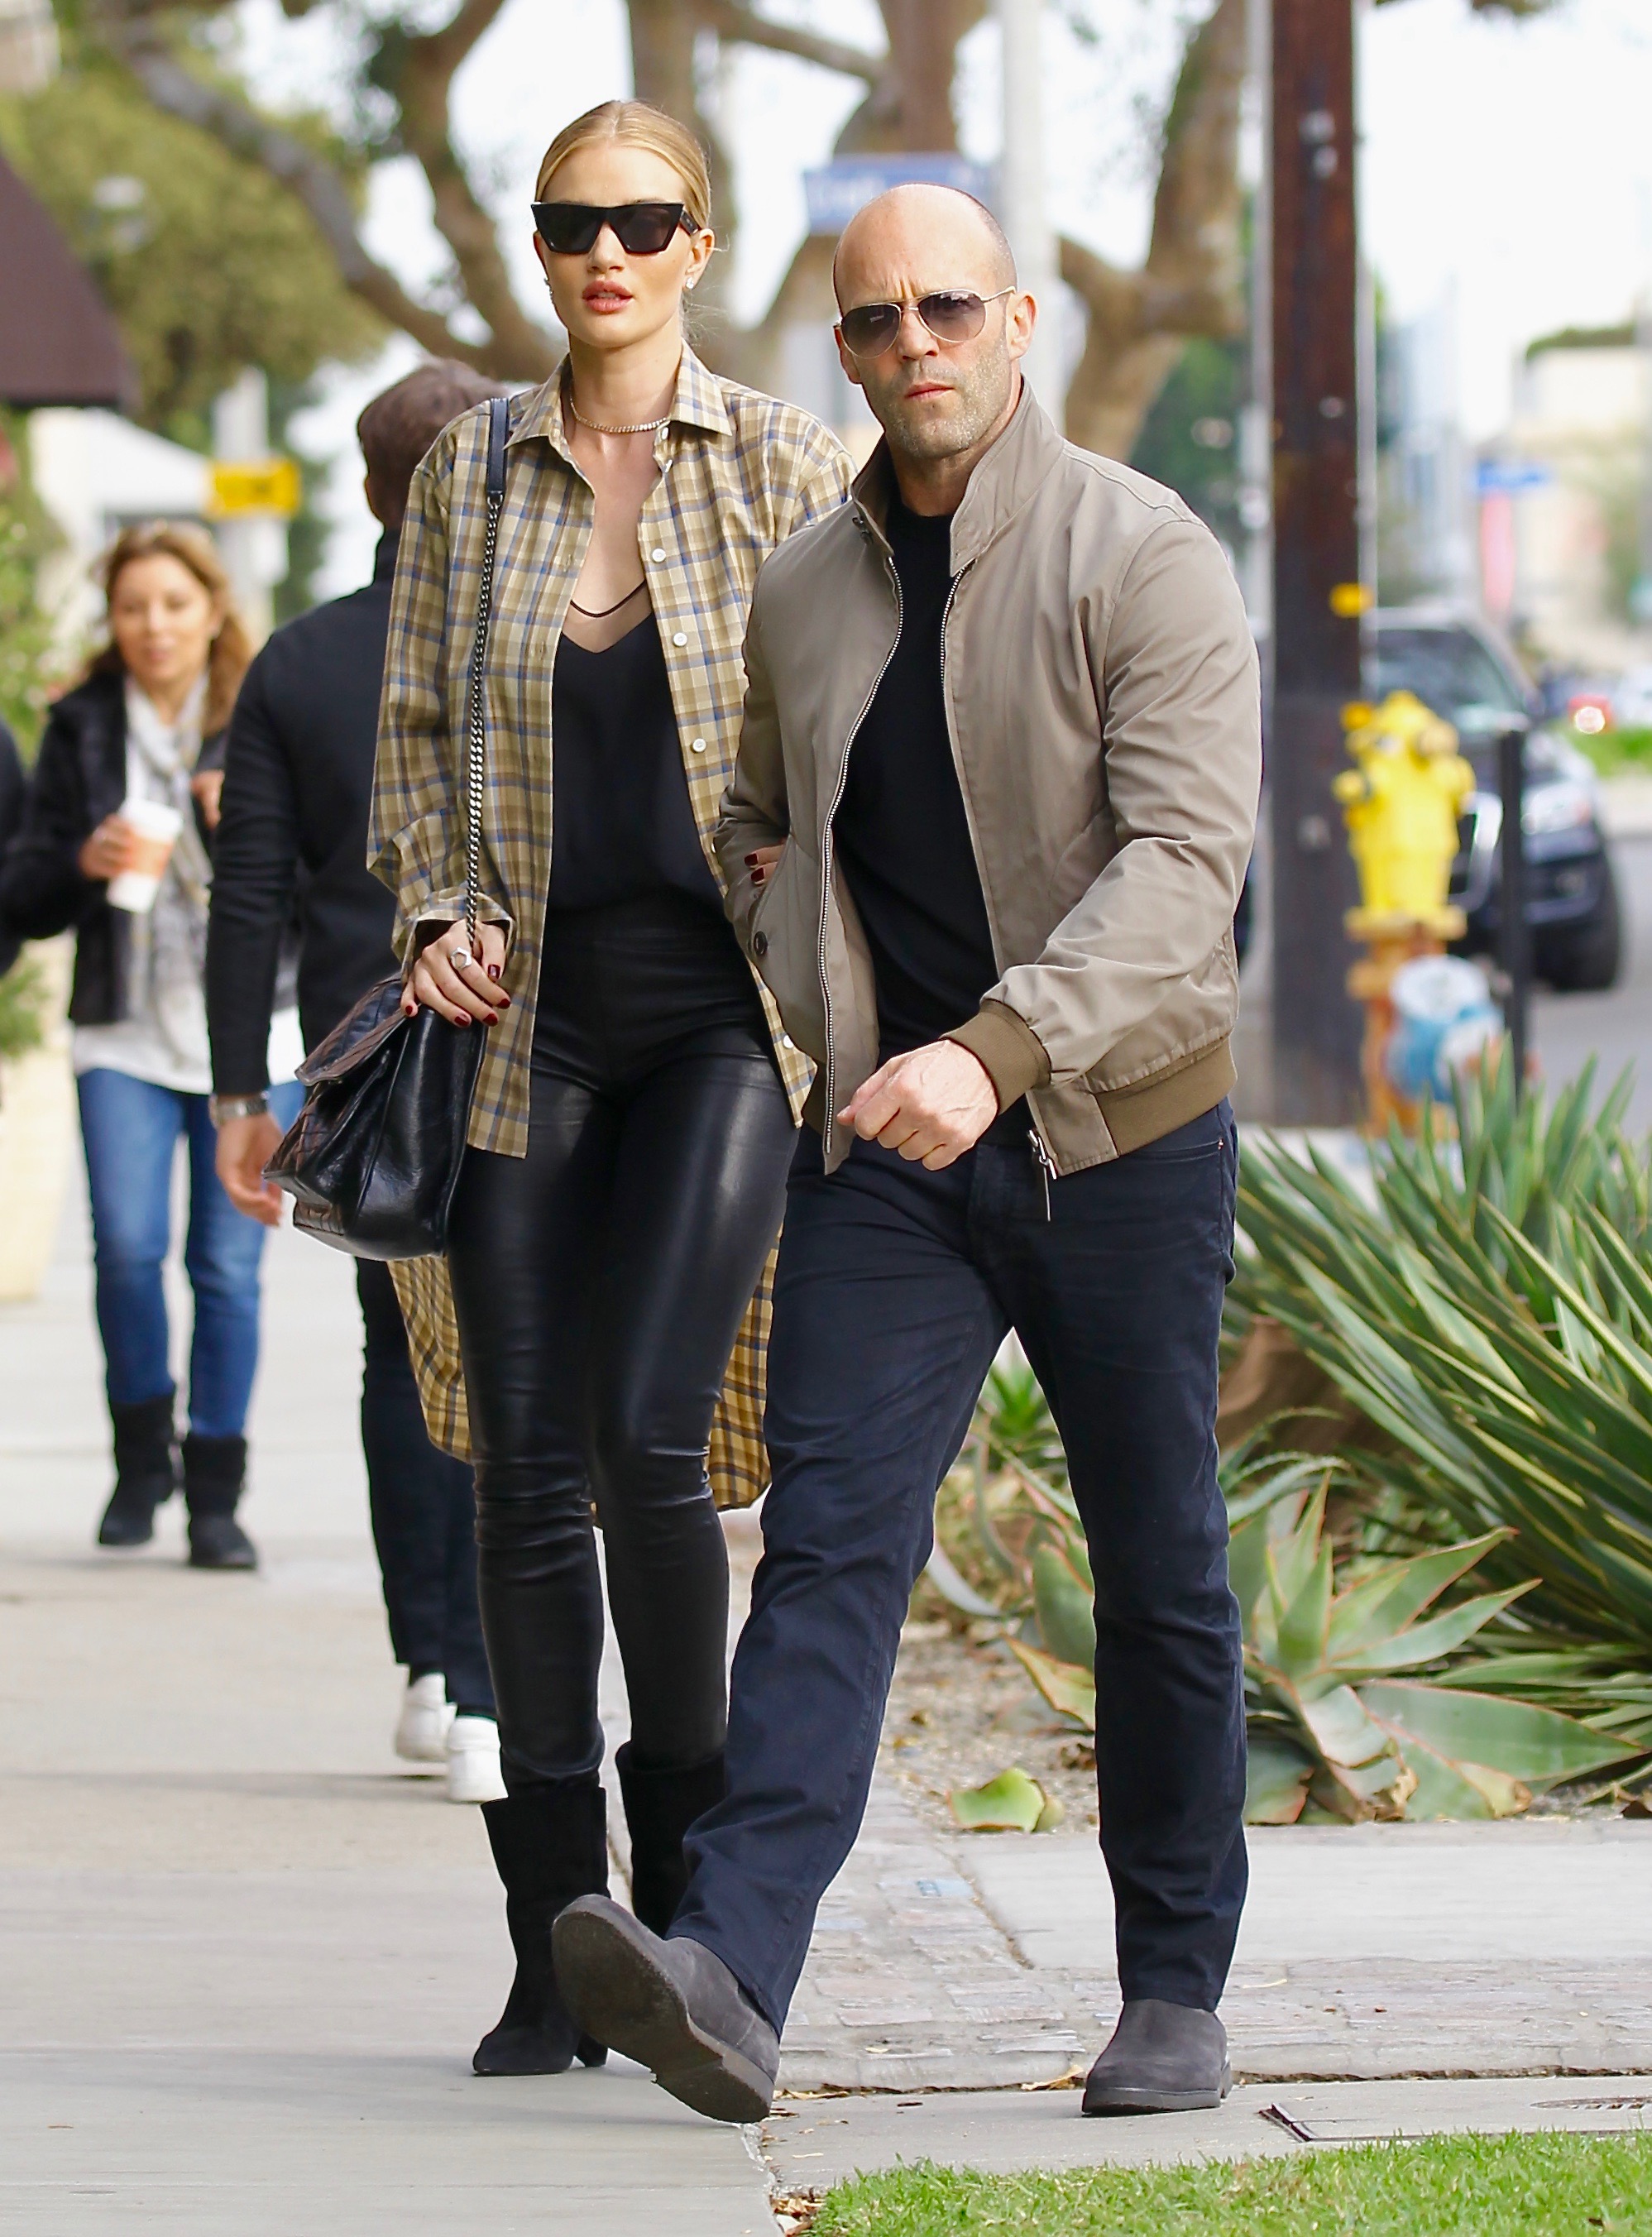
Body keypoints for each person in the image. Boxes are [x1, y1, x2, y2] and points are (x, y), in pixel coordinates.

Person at [553, 183, 1262, 2125]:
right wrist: (823, 977)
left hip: (1117, 1136)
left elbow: (1184, 870)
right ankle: (728, 1971)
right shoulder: (808, 586)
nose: (913, 343)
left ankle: (1172, 1986)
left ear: (1017, 321)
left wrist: (996, 1049)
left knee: (1156, 1563)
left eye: (946, 306)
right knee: (826, 1548)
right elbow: (754, 813)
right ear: (846, 350)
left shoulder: (1142, 553)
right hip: (890, 1152)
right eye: (875, 320)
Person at [370, 99, 850, 2076]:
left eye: (643, 222)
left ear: (698, 245)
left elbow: (860, 723)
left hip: (719, 1016)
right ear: (542, 245)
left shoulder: (789, 463)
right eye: (573, 222)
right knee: (519, 1467)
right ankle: (547, 1944)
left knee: (649, 1432)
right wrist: (431, 907)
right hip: (523, 1024)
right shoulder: (472, 469)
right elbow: (415, 729)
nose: (605, 254)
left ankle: (693, 1927)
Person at [206, 363, 510, 1805]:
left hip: (365, 1059)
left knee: (404, 1353)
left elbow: (245, 894)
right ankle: (490, 1691)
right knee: (518, 1355)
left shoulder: (300, 660)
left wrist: (238, 1097)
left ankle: (434, 1666)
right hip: (525, 1036)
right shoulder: (530, 637)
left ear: (375, 488)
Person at [0, 526, 304, 1567]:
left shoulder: (262, 711)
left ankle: (216, 1492)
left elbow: (325, 879)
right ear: (113, 618)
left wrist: (240, 829)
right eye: (133, 607)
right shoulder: (81, 724)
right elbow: (23, 892)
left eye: (175, 604)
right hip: (121, 1031)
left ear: (213, 610)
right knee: (127, 1251)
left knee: (227, 1267)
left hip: (252, 1034)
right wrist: (81, 860)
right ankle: (141, 1462)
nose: (154, 626)